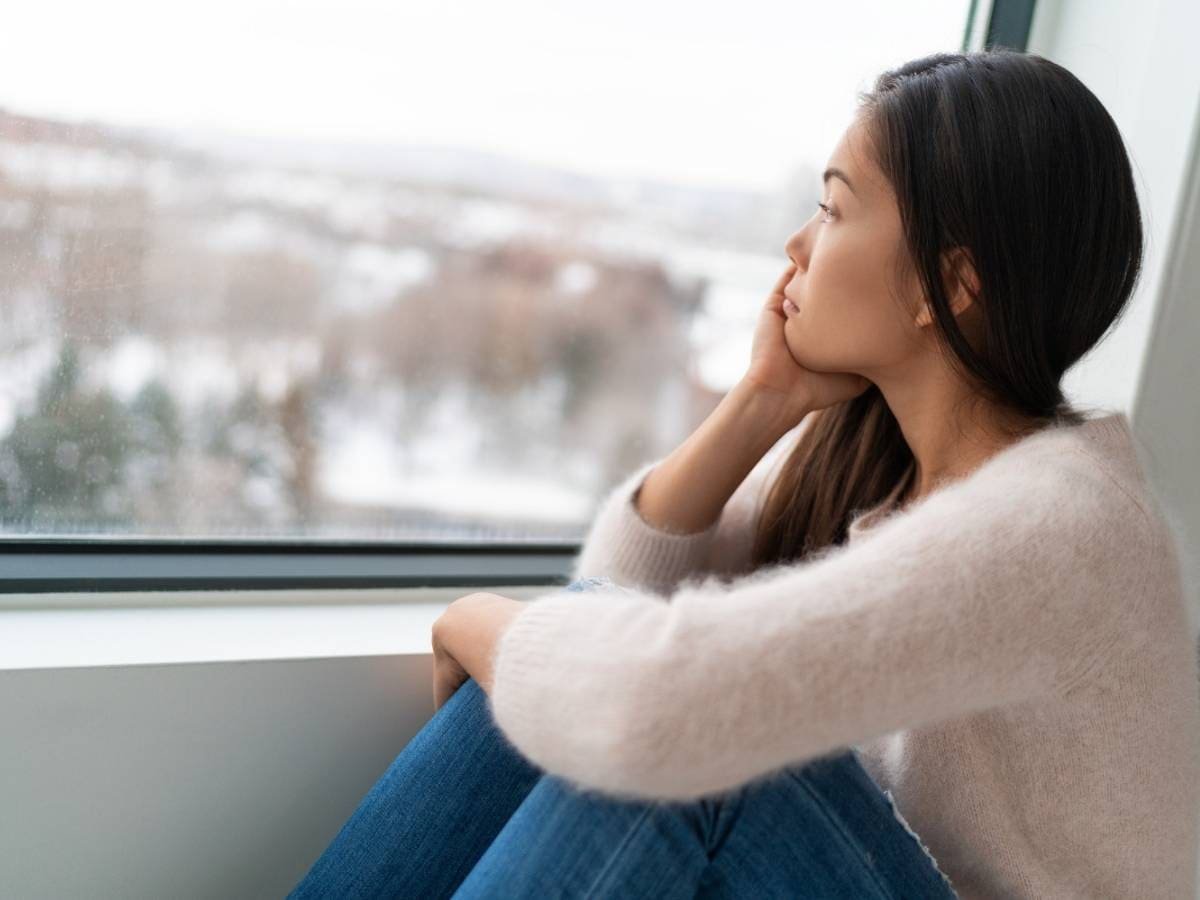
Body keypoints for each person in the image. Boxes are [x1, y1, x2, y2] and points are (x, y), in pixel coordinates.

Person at [289, 48, 1200, 898]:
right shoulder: (893, 472)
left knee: (675, 743)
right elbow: (620, 586)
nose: (797, 248)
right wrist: (762, 399)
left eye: (836, 209)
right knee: (558, 682)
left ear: (948, 286)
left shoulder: (1062, 524)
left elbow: (650, 702)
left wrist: (478, 622)